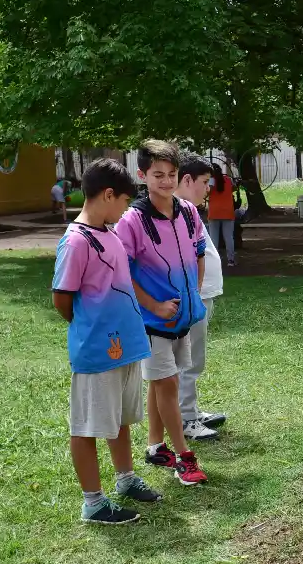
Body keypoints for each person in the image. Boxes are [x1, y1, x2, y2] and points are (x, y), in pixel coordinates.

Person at [52, 159, 161, 525]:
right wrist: (90, 327)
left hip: (126, 346)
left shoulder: (109, 232)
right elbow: (62, 298)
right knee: (87, 425)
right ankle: (93, 502)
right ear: (108, 195)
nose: (127, 210)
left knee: (119, 419)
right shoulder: (77, 241)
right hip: (98, 350)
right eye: (125, 202)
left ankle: (125, 478)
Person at [114, 140, 208, 486]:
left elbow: (199, 251)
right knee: (167, 383)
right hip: (152, 321)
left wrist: (193, 292)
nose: (166, 181)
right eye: (158, 175)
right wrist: (153, 305)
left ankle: (156, 447)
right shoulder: (132, 220)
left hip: (181, 318)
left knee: (161, 381)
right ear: (142, 175)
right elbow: (120, 270)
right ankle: (184, 458)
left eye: (172, 174)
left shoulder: (188, 211)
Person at [177, 158, 229, 442]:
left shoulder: (189, 211)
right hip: (193, 295)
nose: (208, 189)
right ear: (187, 180)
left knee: (194, 356)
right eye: (203, 183)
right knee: (188, 358)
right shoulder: (178, 212)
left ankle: (191, 410)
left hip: (202, 294)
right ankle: (186, 417)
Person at [207, 162, 237, 267]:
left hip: (214, 212)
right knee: (229, 237)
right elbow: (233, 188)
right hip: (228, 212)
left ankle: (215, 261)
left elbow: (207, 192)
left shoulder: (211, 181)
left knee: (214, 238)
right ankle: (231, 260)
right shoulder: (228, 180)